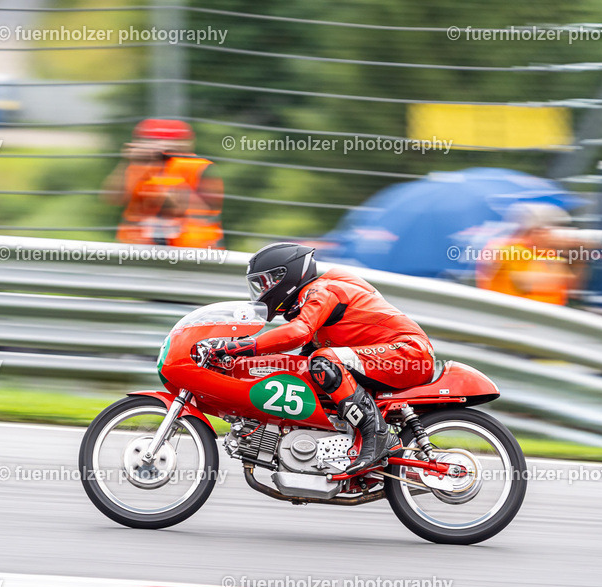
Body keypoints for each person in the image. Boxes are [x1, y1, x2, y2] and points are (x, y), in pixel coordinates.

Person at [210, 243, 435, 474]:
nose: (262, 291)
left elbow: (297, 333)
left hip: (408, 352)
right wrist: (239, 362)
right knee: (311, 369)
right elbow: (297, 362)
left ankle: (378, 436)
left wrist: (239, 347)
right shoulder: (309, 304)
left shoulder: (321, 290)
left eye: (266, 282)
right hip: (392, 356)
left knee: (324, 361)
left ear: (286, 276)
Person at [103, 119, 223, 248]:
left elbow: (187, 207)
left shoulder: (199, 167)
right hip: (138, 247)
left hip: (192, 249)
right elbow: (112, 198)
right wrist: (127, 162)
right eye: (150, 141)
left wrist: (158, 174)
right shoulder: (138, 166)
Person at [476, 203, 577, 306]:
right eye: (550, 230)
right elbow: (527, 284)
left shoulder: (544, 252)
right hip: (513, 316)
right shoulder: (511, 250)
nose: (554, 234)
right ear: (536, 230)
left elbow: (571, 285)